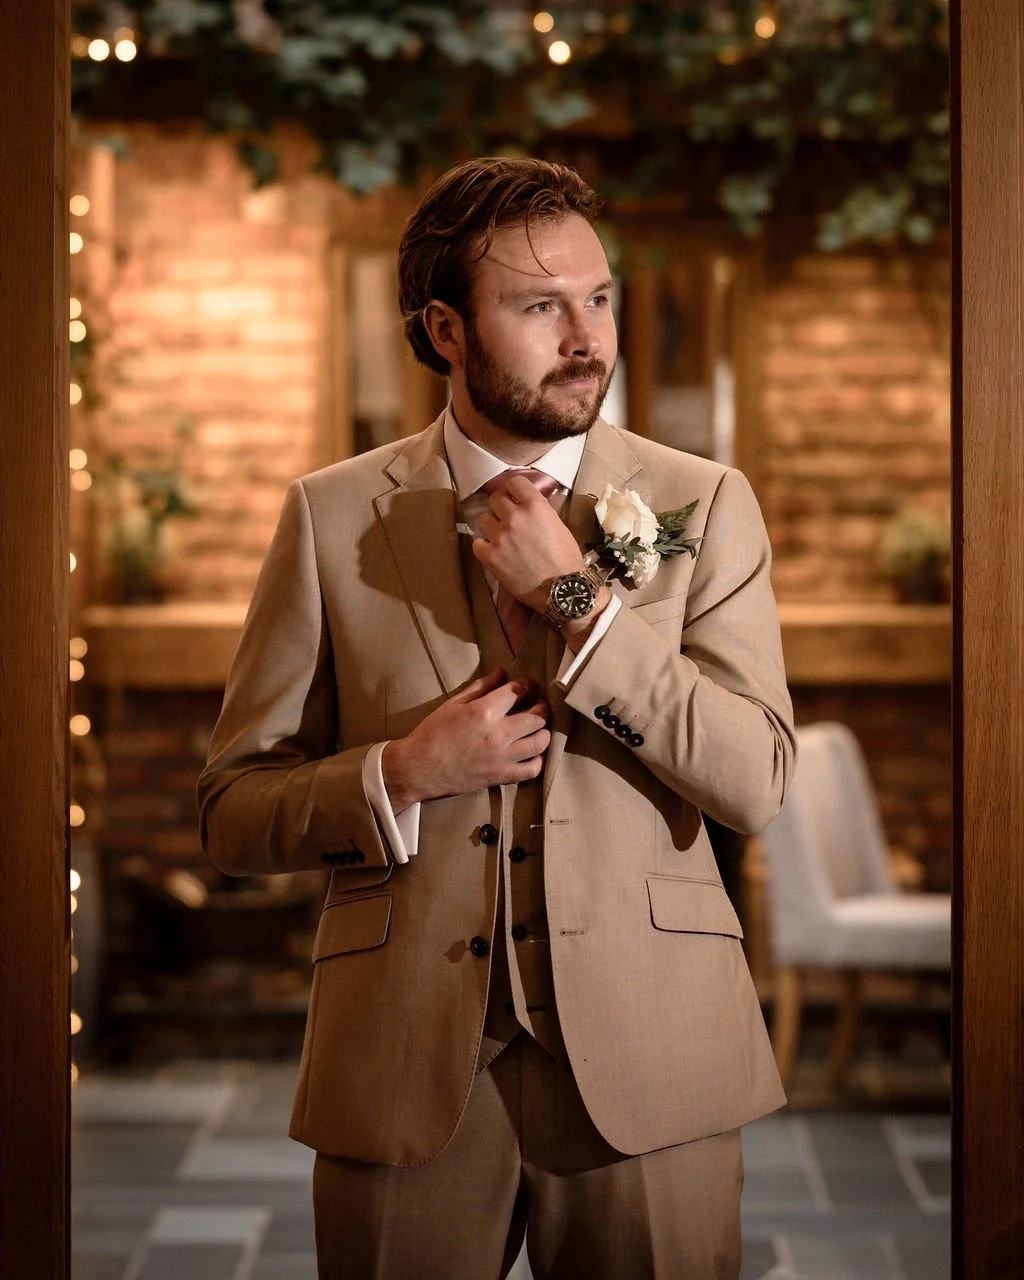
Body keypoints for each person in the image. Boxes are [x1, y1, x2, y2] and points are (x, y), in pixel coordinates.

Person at [198, 156, 796, 1280]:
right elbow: (232, 809)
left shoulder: (702, 503)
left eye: (599, 297)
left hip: (650, 1057)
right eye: (540, 306)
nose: (588, 337)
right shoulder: (330, 518)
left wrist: (575, 601)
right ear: (446, 328)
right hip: (404, 1066)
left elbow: (754, 777)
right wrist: (399, 772)